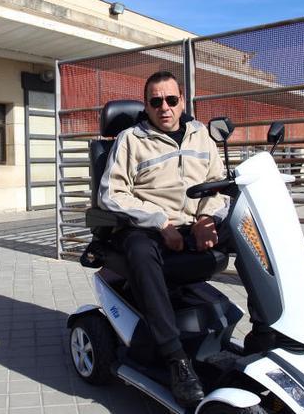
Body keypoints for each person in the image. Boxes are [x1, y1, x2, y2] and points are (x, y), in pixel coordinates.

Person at [98, 70, 230, 406]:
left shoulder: (202, 136)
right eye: (156, 101)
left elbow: (219, 183)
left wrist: (207, 218)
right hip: (147, 227)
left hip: (194, 222)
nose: (165, 107)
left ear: (182, 101)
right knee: (140, 252)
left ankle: (267, 330)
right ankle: (176, 359)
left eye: (171, 100)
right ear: (147, 105)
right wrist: (160, 223)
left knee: (249, 230)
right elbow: (111, 194)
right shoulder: (131, 139)